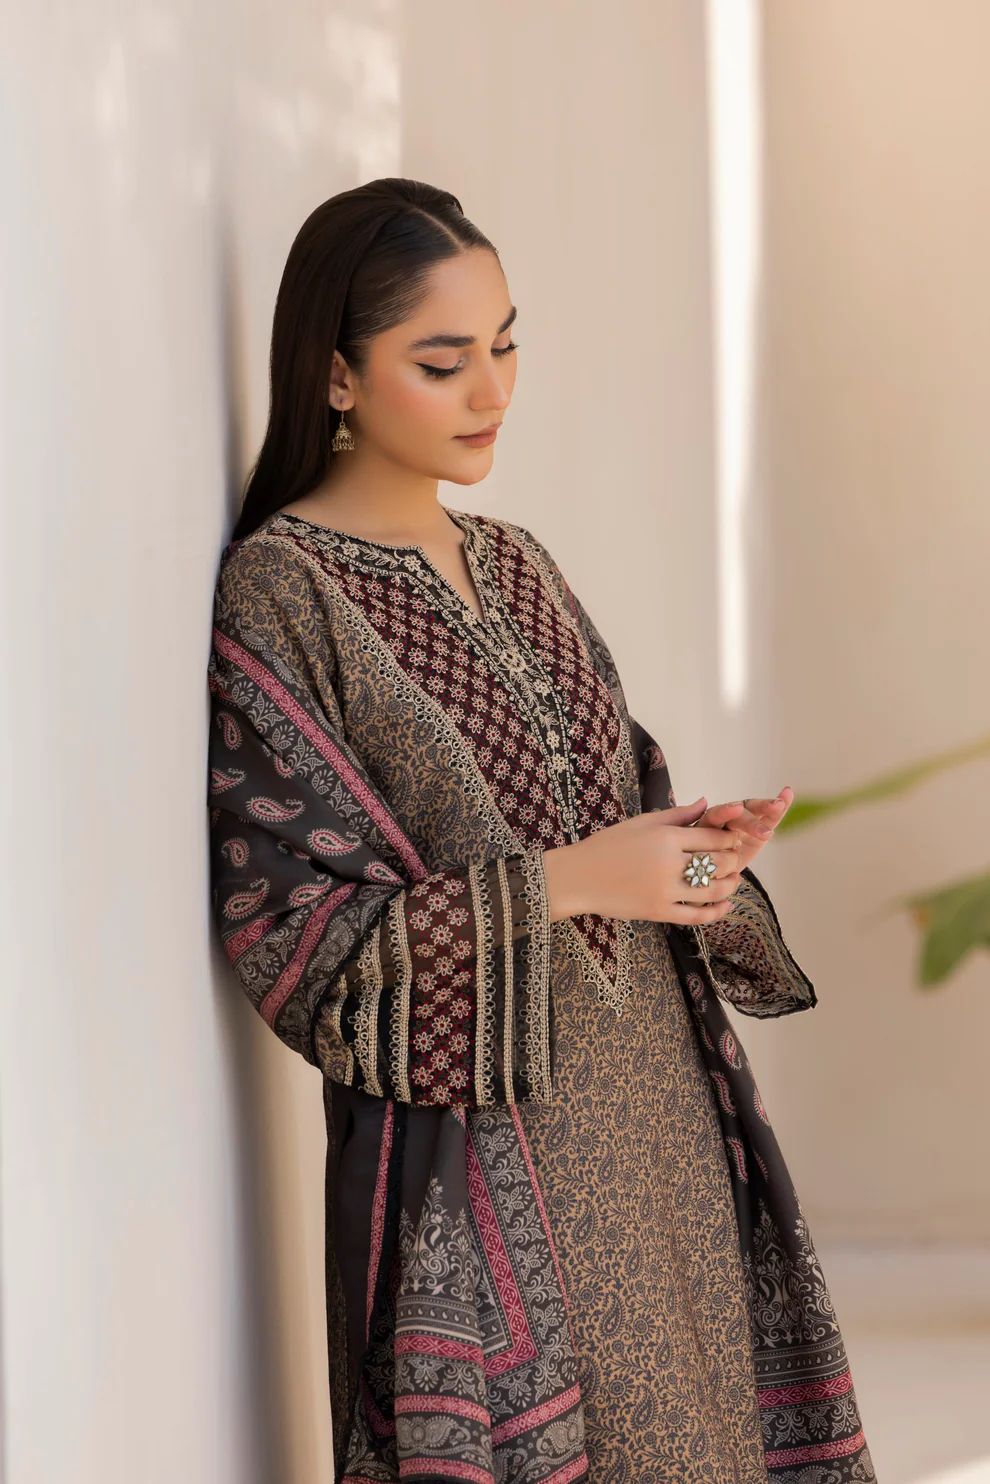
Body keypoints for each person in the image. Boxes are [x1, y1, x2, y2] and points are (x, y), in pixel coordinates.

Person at [207, 178, 877, 1483]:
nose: (491, 391)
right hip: (502, 1149)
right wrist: (572, 879)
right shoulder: (285, 594)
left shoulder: (517, 561)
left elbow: (616, 813)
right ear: (336, 375)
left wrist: (701, 858)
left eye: (505, 346)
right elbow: (293, 935)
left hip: (660, 1109)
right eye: (441, 361)